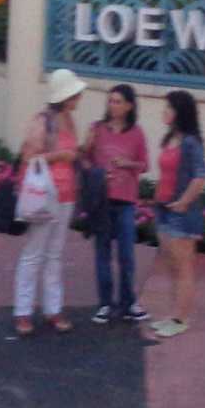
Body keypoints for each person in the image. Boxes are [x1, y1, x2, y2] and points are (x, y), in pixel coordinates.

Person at [13, 68, 84, 337]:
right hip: (44, 196)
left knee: (55, 254)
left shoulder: (69, 120)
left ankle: (53, 309)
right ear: (64, 96)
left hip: (66, 195)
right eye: (75, 94)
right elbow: (28, 158)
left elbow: (72, 154)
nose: (78, 98)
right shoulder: (43, 121)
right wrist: (59, 156)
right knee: (34, 253)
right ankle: (22, 311)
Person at [82, 84, 151, 324]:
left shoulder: (137, 133)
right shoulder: (97, 129)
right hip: (102, 200)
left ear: (129, 106)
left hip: (126, 201)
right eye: (110, 101)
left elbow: (145, 165)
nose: (113, 105)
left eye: (118, 101)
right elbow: (84, 160)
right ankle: (105, 304)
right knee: (102, 253)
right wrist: (97, 171)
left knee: (126, 254)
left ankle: (128, 302)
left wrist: (127, 164)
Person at [147, 90, 205, 339]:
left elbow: (201, 175)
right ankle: (173, 314)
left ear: (180, 112)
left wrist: (184, 202)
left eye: (169, 107)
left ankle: (181, 319)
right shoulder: (170, 139)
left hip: (181, 213)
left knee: (183, 267)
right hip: (163, 208)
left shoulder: (191, 142)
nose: (164, 111)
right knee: (171, 266)